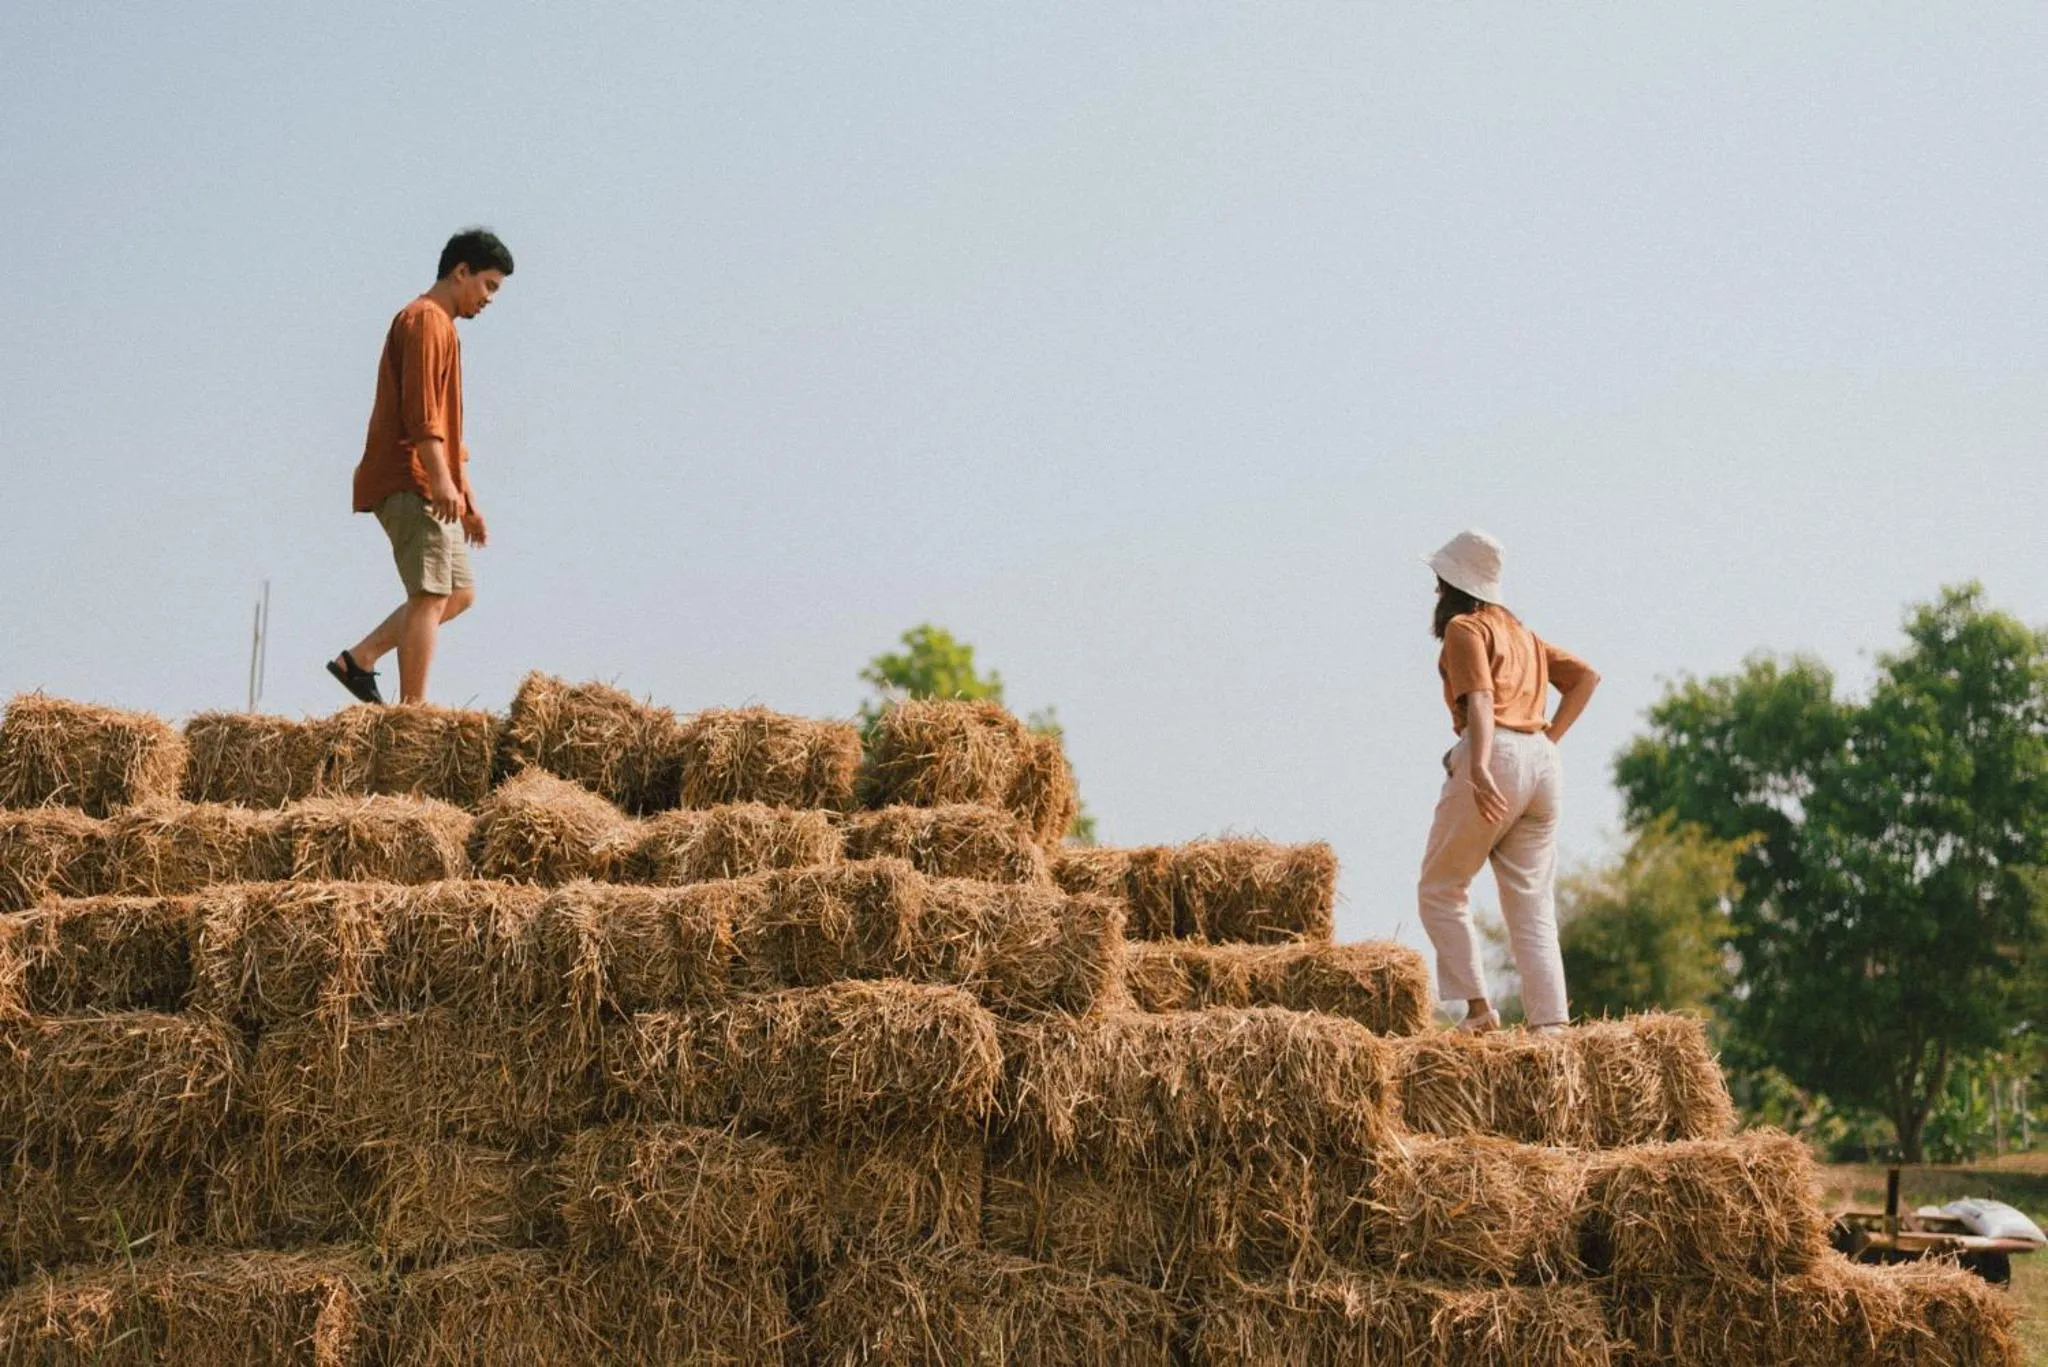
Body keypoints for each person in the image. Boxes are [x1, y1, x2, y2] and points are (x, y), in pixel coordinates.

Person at [1416, 530, 1599, 1035]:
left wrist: (1477, 766)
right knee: (1532, 904)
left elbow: (1478, 699)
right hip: (1542, 762)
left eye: (1438, 583)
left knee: (1441, 887)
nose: (1435, 594)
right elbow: (1586, 678)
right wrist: (1549, 741)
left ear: (1454, 585)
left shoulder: (1464, 628)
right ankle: (1551, 1028)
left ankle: (1478, 1013)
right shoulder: (1523, 633)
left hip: (1494, 751)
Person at [327, 228, 514, 706]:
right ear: (460, 272)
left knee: (459, 592)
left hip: (430, 477)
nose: (490, 299)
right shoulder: (425, 321)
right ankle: (414, 714)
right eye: (489, 286)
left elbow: (450, 431)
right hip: (410, 477)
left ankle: (362, 657)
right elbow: (422, 415)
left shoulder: (443, 328)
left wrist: (467, 499)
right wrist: (441, 479)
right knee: (431, 593)